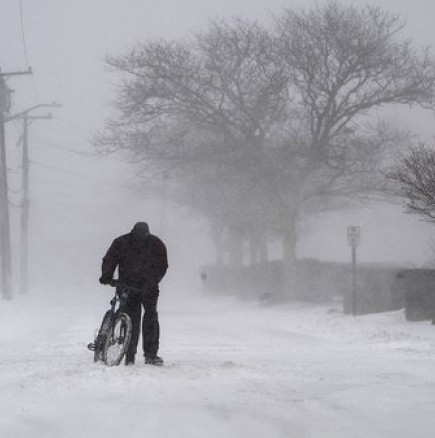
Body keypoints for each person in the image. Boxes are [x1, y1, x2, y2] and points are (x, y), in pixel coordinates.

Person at [99, 222, 168, 366]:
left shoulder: (121, 242)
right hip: (145, 287)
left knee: (135, 320)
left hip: (128, 286)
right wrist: (154, 280)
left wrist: (107, 277)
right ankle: (149, 355)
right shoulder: (156, 243)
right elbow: (163, 265)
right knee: (150, 319)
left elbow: (110, 260)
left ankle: (130, 356)